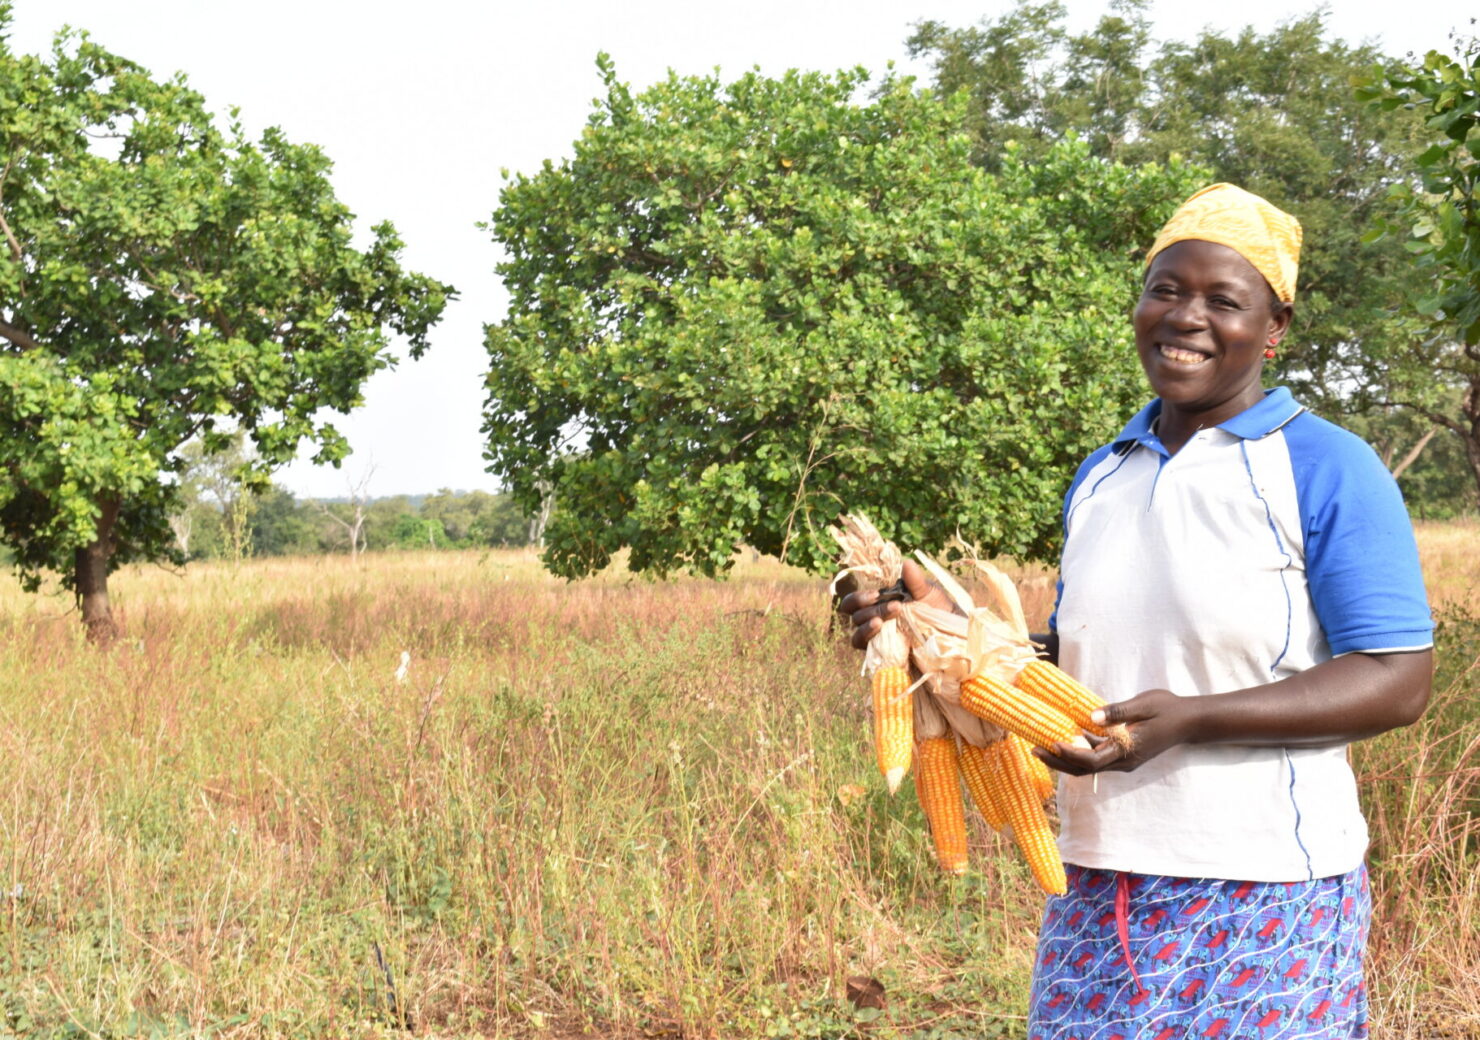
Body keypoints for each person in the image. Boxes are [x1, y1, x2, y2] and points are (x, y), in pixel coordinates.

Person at [841, 183, 1433, 1039]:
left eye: (1224, 301)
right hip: (1095, 872)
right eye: (1166, 289)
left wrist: (1190, 721)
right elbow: (1083, 656)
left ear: (1274, 329)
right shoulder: (1104, 472)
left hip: (1263, 885)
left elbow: (1398, 679)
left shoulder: (1325, 466)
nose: (1186, 316)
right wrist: (932, 631)